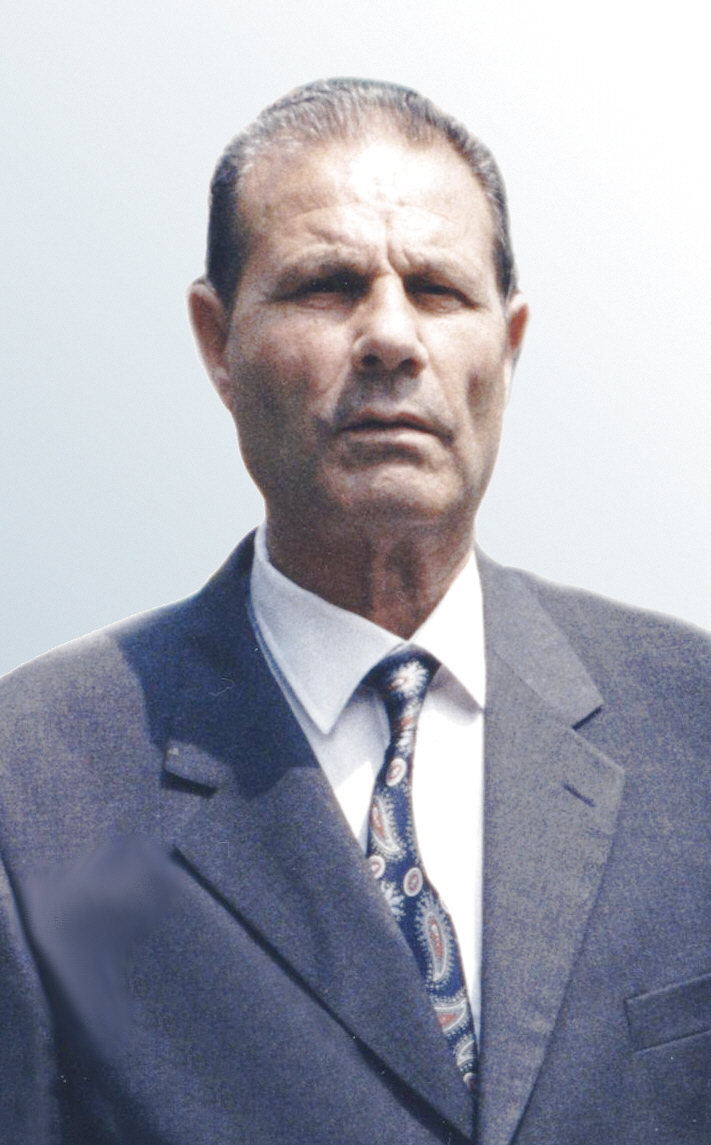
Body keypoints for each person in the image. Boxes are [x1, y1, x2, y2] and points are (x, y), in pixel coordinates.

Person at [1, 78, 709, 1145]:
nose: (389, 336)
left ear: (509, 341)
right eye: (326, 286)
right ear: (215, 339)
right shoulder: (36, 782)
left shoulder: (690, 724)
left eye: (437, 289)